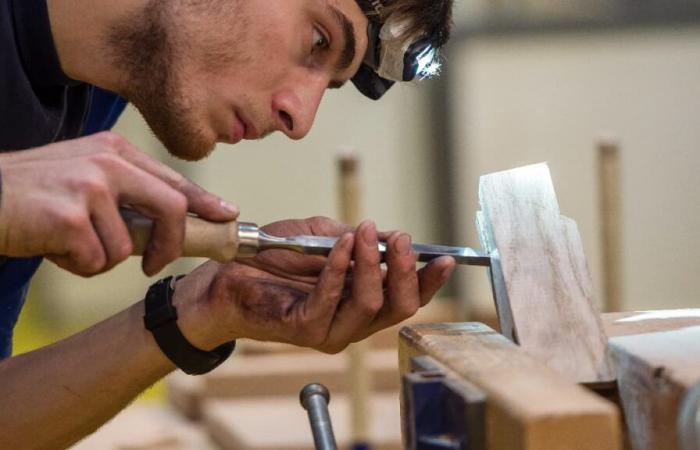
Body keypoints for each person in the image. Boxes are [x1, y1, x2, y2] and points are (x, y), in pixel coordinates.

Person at [0, 0, 454, 447]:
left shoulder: (88, 96)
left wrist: (206, 307)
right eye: (319, 39)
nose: (301, 119)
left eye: (329, 85)